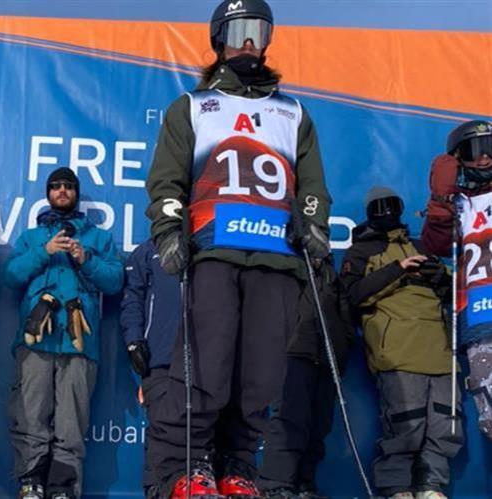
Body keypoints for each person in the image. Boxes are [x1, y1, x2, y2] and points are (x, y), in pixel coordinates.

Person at [144, 0, 331, 496]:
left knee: (262, 375)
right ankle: (191, 465)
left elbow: (311, 184)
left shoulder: (291, 113)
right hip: (215, 254)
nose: (249, 42)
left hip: (276, 258)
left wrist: (313, 225)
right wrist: (167, 232)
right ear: (218, 39)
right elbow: (166, 182)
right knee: (208, 365)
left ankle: (239, 467)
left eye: (259, 31)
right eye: (239, 30)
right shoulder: (193, 106)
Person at [4, 167, 123, 499]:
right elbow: (10, 276)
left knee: (72, 424)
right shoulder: (31, 237)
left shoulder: (100, 238)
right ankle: (30, 484)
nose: (61, 190)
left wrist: (85, 259)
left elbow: (114, 282)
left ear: (75, 192)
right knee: (29, 416)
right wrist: (46, 252)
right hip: (35, 341)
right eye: (55, 186)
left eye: (68, 186)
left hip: (79, 344)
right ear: (48, 192)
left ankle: (63, 489)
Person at [342, 187, 463, 499]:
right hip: (396, 349)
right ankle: (397, 488)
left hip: (438, 347)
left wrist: (441, 276)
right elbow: (351, 295)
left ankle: (431, 486)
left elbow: (454, 295)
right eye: (379, 208)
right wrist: (396, 269)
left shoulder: (422, 245)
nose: (386, 212)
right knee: (404, 423)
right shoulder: (362, 251)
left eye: (392, 206)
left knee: (446, 424)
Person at [257, 256, 354, 498]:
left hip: (326, 356)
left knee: (319, 424)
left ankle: (304, 482)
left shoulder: (330, 275)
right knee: (290, 420)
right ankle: (275, 484)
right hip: (293, 351)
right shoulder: (287, 265)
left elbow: (344, 314)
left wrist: (342, 349)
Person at [421, 120, 492, 446]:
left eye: (490, 149)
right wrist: (440, 200)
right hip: (480, 320)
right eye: (475, 151)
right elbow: (436, 245)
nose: (485, 159)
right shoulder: (458, 203)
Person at [119, 238, 181, 499]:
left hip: (209, 357)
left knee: (205, 434)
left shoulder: (210, 243)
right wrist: (134, 340)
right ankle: (157, 491)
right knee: (162, 433)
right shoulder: (148, 251)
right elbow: (133, 298)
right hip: (161, 357)